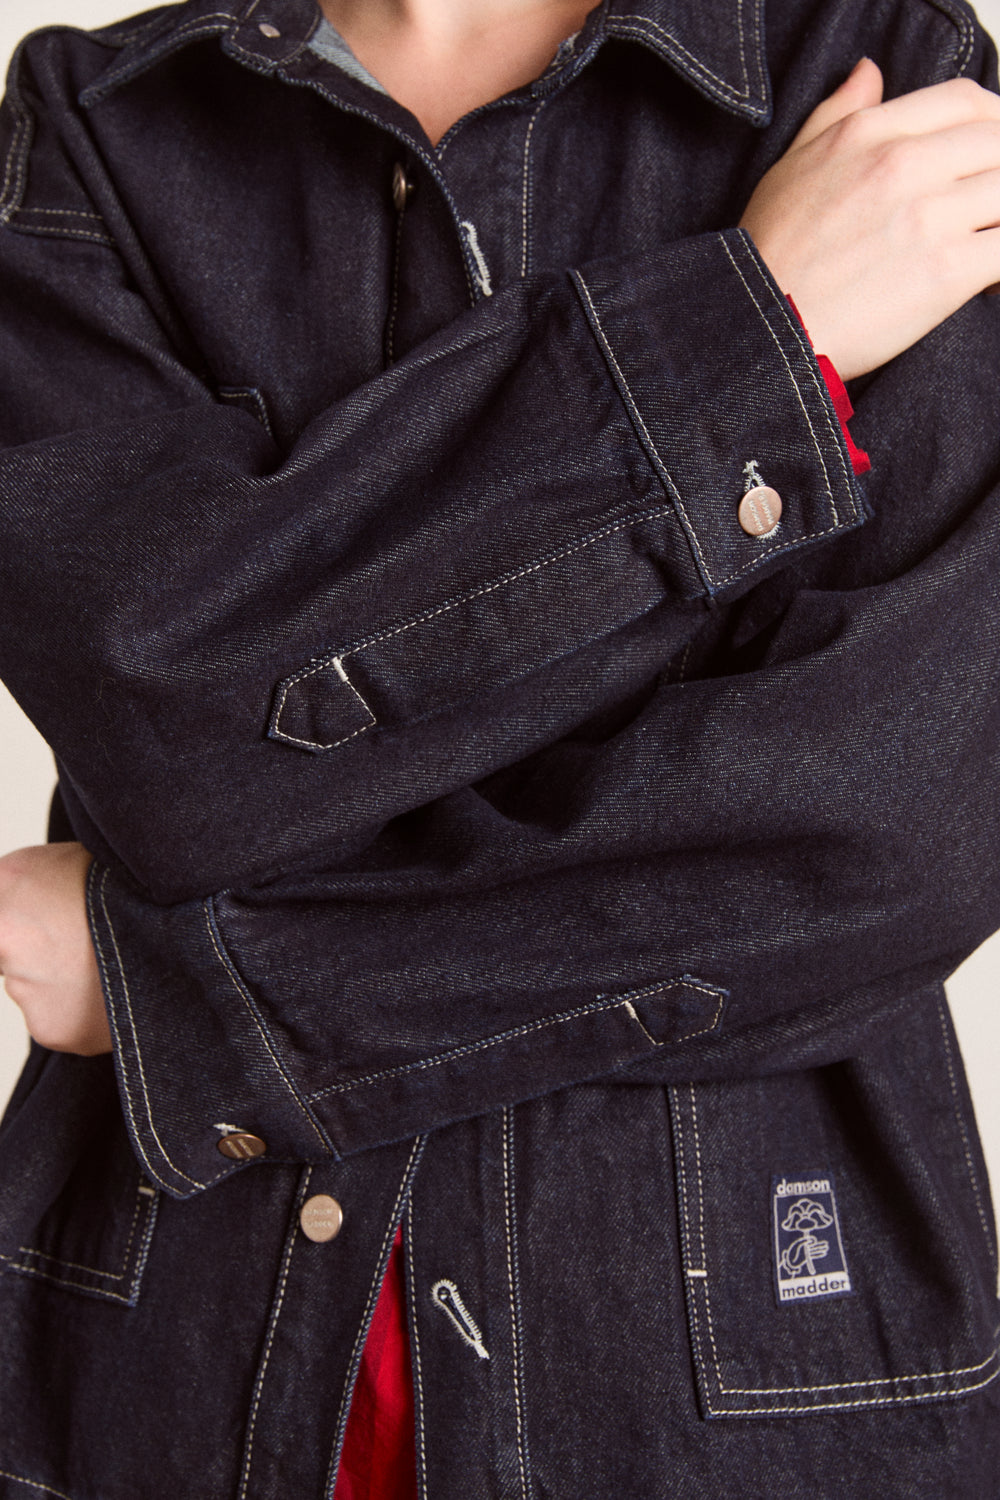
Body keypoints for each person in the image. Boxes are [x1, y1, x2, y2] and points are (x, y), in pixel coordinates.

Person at [0, 0, 999, 1493]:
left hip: (737, 1396)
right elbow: (168, 729)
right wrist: (746, 335)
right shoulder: (99, 127)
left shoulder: (874, 72)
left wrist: (200, 1000)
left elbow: (887, 827)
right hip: (163, 1369)